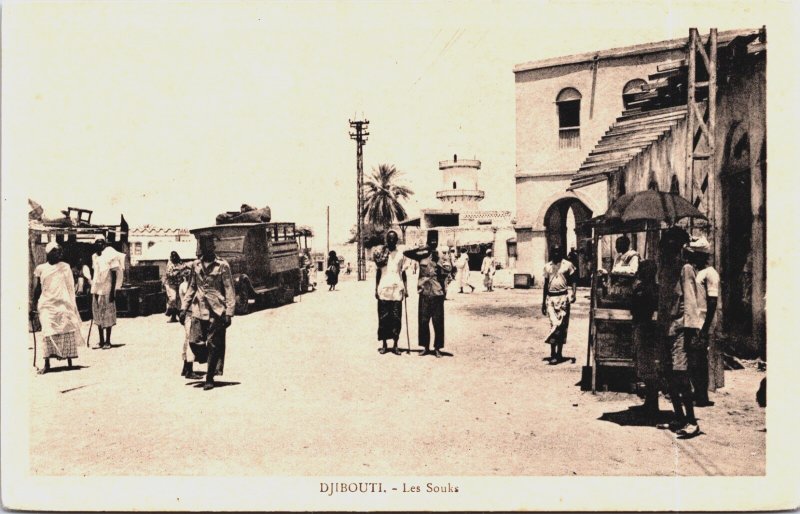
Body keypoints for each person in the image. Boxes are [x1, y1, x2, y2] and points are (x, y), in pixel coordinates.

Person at [659, 230, 704, 437]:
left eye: (671, 247)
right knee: (668, 375)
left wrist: (692, 331)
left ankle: (692, 421)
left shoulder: (685, 269)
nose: (667, 251)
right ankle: (678, 416)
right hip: (665, 328)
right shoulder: (665, 269)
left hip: (680, 329)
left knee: (681, 374)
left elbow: (690, 302)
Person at [180, 236, 235, 390]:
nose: (205, 249)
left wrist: (229, 312)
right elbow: (191, 287)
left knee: (212, 344)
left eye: (209, 246)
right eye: (203, 246)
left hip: (216, 311)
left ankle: (209, 377)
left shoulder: (223, 266)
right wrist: (184, 308)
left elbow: (229, 289)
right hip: (198, 309)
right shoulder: (195, 265)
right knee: (193, 341)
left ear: (213, 247)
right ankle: (207, 358)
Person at [30, 242, 82, 374]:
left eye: (60, 252)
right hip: (47, 305)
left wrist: (71, 303)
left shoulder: (65, 267)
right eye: (57, 251)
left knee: (66, 328)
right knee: (47, 331)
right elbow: (37, 289)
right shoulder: (40, 268)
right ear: (49, 253)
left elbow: (70, 286)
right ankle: (47, 364)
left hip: (63, 303)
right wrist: (32, 305)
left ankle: (69, 359)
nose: (60, 254)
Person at [685, 237, 719, 407]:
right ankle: (697, 393)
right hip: (695, 320)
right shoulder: (696, 272)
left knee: (700, 360)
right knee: (694, 359)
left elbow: (712, 302)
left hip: (703, 321)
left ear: (702, 255)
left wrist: (705, 328)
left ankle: (702, 395)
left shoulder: (710, 273)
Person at [404, 241, 447, 358]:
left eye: (435, 241)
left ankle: (437, 348)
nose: (433, 243)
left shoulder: (442, 256)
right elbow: (406, 253)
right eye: (431, 241)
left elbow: (450, 269)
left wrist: (439, 261)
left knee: (438, 322)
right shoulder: (421, 255)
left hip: (437, 293)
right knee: (423, 321)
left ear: (438, 242)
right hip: (424, 292)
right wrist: (421, 248)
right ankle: (425, 347)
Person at [629, 259, 660, 415]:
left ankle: (652, 403)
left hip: (643, 328)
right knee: (649, 367)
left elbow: (633, 309)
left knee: (645, 366)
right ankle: (651, 401)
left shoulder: (641, 290)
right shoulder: (657, 289)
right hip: (651, 329)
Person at [373, 230, 408, 355]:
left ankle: (395, 345)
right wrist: (376, 288)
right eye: (389, 239)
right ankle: (384, 344)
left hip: (397, 290)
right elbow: (378, 272)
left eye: (393, 239)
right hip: (383, 289)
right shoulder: (381, 253)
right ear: (386, 240)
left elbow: (403, 273)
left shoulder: (401, 254)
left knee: (396, 318)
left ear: (397, 240)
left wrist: (406, 289)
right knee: (383, 318)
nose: (391, 241)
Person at [541, 246, 576, 364]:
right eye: (554, 251)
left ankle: (559, 353)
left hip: (563, 298)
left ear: (561, 252)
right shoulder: (547, 266)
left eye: (558, 251)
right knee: (553, 325)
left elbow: (574, 279)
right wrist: (543, 303)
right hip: (550, 298)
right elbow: (546, 285)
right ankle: (552, 353)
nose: (556, 253)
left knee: (561, 326)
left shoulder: (568, 265)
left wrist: (574, 293)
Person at [90, 236, 119, 349]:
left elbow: (114, 274)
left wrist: (112, 291)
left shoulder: (110, 256)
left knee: (108, 315)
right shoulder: (94, 256)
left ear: (105, 243)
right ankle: (101, 340)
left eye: (101, 242)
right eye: (97, 243)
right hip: (97, 289)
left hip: (107, 289)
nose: (99, 245)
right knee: (98, 315)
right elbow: (95, 273)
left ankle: (108, 341)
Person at [164, 251, 184, 323]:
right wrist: (177, 272)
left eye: (175, 256)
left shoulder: (180, 262)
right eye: (173, 257)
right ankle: (169, 312)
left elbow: (183, 270)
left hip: (178, 284)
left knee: (178, 302)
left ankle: (174, 317)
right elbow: (169, 274)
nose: (174, 258)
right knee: (173, 299)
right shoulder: (170, 263)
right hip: (170, 284)